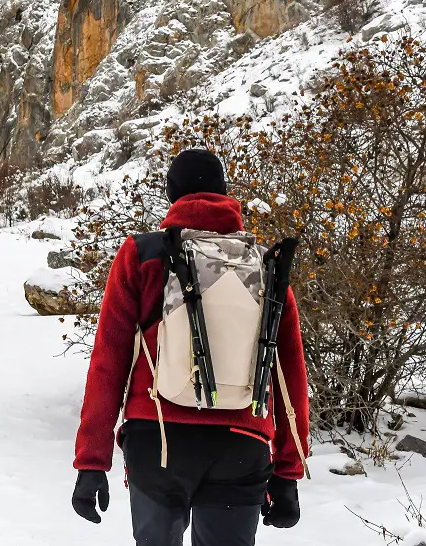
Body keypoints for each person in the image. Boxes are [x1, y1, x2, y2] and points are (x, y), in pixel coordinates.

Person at [71, 149, 310, 546]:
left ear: (171, 195)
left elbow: (108, 363)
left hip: (158, 440)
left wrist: (92, 462)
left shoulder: (143, 255)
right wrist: (288, 471)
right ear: (225, 194)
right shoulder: (265, 266)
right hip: (241, 441)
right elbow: (290, 375)